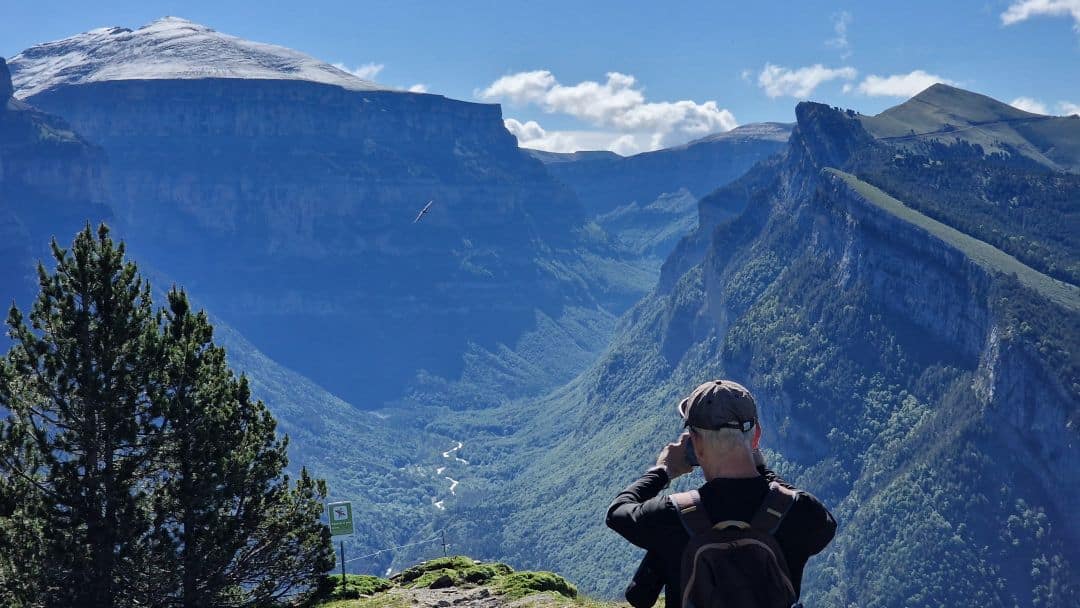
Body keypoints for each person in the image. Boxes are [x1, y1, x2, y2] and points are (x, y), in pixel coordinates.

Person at [606, 380, 836, 608]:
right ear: (756, 436)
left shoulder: (670, 516)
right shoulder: (801, 513)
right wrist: (765, 471)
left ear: (695, 443)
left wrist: (663, 471)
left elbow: (617, 511)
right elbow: (824, 522)